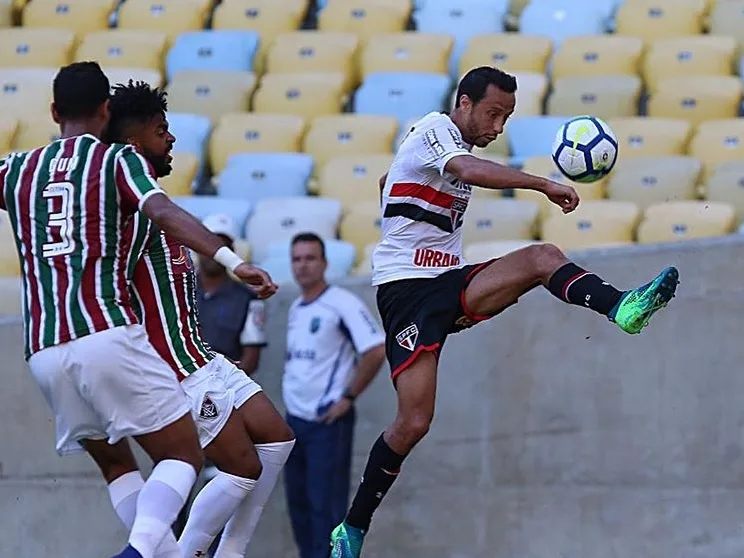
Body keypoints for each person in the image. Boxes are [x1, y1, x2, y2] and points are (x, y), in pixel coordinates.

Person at [330, 66, 680, 556]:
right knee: (413, 423)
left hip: (447, 282)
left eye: (507, 118)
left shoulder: (438, 146)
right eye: (493, 114)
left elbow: (394, 177)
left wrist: (395, 190)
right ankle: (352, 527)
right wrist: (543, 184)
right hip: (406, 291)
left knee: (542, 258)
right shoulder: (437, 128)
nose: (497, 127)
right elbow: (467, 172)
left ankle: (622, 307)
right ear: (464, 103)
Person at [0, 62, 276, 558]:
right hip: (105, 333)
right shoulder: (114, 160)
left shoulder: (17, 169)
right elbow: (163, 211)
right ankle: (139, 553)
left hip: (42, 348)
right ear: (105, 110)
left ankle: (156, 552)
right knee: (183, 455)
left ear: (53, 111)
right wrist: (232, 261)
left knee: (117, 467)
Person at [104, 80, 296, 558]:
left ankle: (229, 552)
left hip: (201, 355)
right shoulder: (129, 210)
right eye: (161, 130)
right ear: (134, 144)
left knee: (278, 438)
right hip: (174, 367)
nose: (171, 139)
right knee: (240, 468)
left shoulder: (155, 203)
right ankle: (196, 553)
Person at [284, 233, 386, 558]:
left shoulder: (341, 303)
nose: (303, 265)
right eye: (297, 259)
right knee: (299, 509)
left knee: (326, 511)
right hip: (294, 423)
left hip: (326, 421)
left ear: (325, 263)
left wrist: (348, 397)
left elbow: (375, 349)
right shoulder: (297, 307)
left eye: (310, 258)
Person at [196, 213, 267, 376]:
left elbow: (250, 361)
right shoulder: (179, 289)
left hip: (224, 389)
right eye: (209, 245)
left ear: (232, 252)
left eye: (222, 247)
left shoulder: (249, 299)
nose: (214, 254)